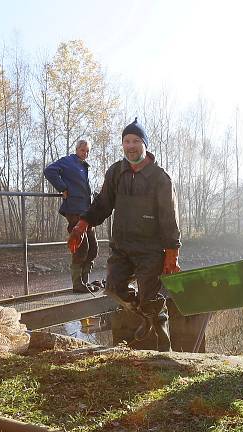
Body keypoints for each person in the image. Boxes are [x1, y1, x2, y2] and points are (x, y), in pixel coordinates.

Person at [69, 118, 181, 352]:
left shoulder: (160, 178)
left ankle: (161, 335)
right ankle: (146, 317)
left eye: (136, 141)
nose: (130, 146)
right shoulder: (116, 172)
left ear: (145, 144)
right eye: (126, 141)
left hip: (151, 250)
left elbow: (170, 218)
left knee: (151, 298)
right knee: (113, 288)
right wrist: (82, 224)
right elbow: (102, 204)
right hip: (122, 246)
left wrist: (172, 253)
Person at [44, 139, 98, 293]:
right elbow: (49, 171)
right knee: (82, 246)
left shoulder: (84, 166)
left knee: (93, 248)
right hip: (74, 209)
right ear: (77, 149)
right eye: (83, 150)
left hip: (87, 212)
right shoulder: (68, 161)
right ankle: (77, 284)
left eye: (87, 151)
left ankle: (84, 282)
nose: (85, 153)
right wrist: (62, 187)